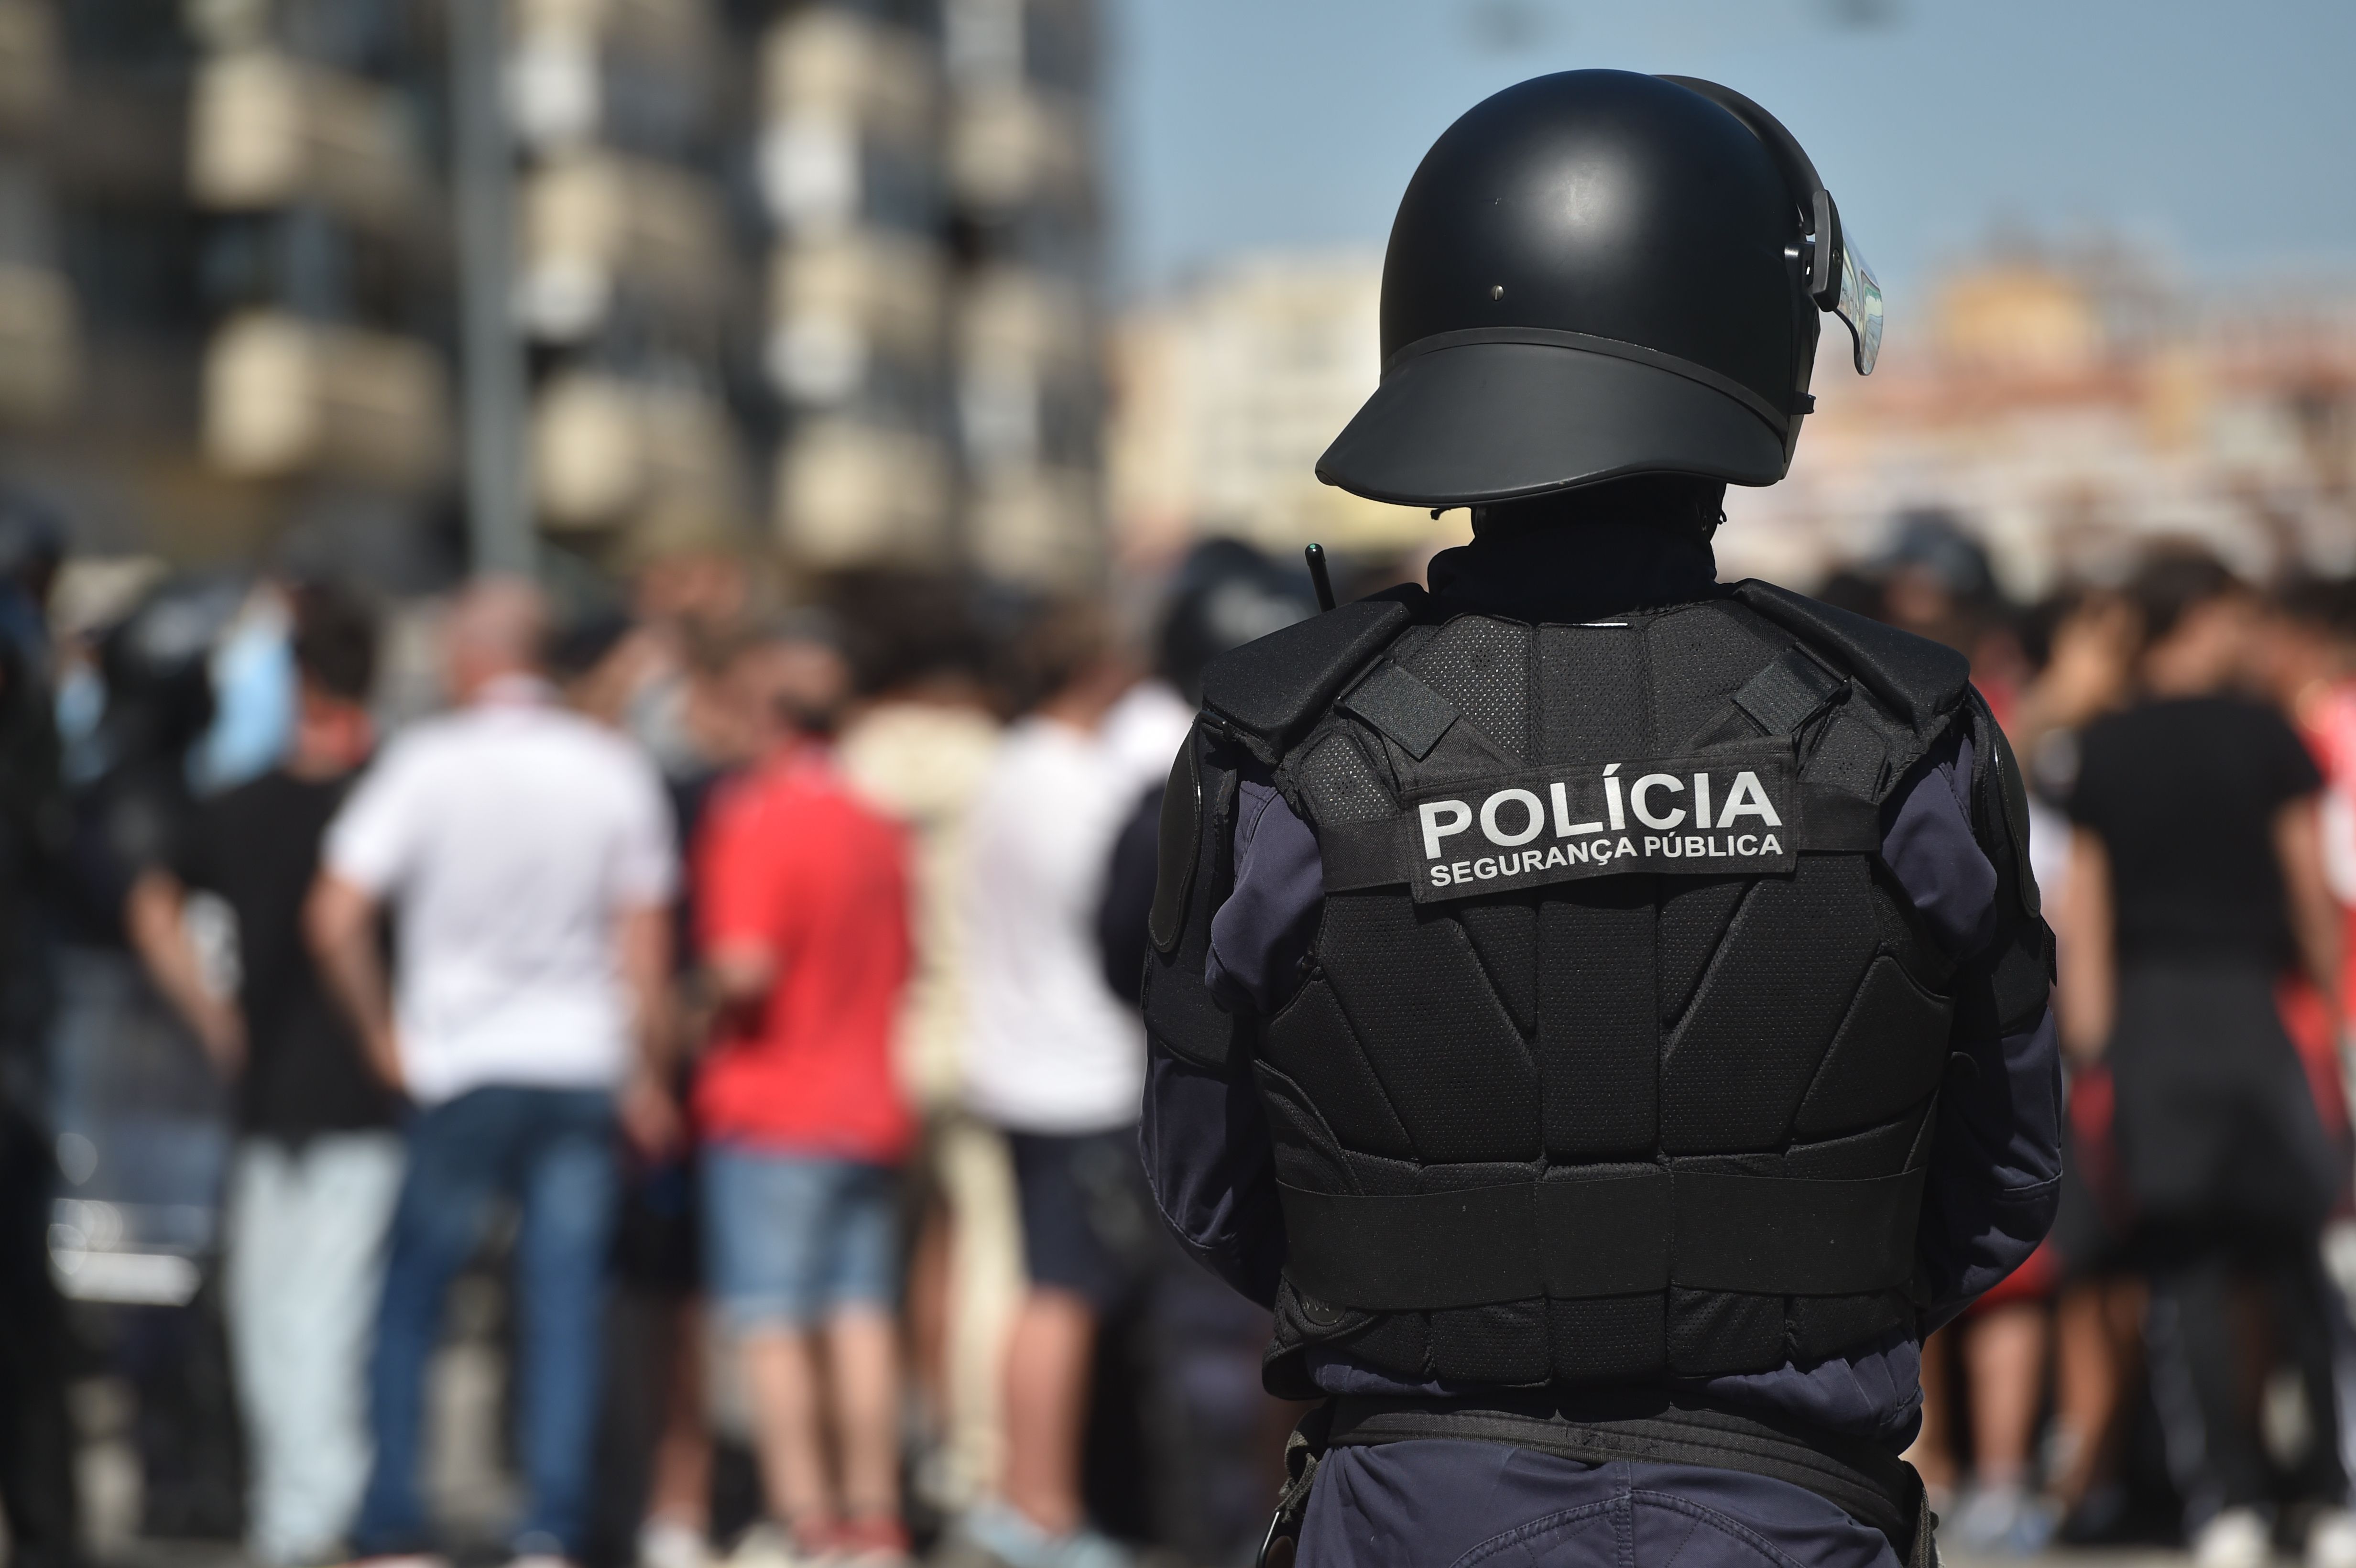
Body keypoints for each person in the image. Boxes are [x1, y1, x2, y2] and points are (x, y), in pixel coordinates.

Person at [1138, 71, 2063, 1568]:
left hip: (1409, 1516)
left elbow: (1206, 1188)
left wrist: (1458, 1323)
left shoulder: (1281, 750)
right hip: (1789, 1513)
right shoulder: (1905, 737)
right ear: (1739, 345)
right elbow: (2003, 1180)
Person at [311, 576, 679, 1568]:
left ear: (472, 655)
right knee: (562, 1303)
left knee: (416, 1295)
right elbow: (642, 945)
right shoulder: (610, 767)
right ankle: (550, 1524)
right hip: (576, 1057)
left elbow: (335, 914)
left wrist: (383, 1031)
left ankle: (395, 1519)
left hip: (460, 1058)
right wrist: (648, 1070)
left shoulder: (428, 761)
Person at [2060, 549, 2353, 1568]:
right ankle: (2324, 1495)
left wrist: (2097, 1055)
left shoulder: (2106, 747)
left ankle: (2223, 1502)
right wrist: (2331, 1018)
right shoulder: (2266, 733)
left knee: (2182, 1265)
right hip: (2255, 1011)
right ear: (2203, 618)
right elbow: (2307, 892)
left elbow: (2083, 918)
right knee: (2294, 1254)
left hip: (2149, 1017)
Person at [125, 581, 399, 1566]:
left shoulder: (239, 805)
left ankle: (302, 1515)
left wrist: (217, 1020)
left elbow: (153, 908)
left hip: (270, 1087)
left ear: (297, 680)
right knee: (331, 1315)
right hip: (365, 1095)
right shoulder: (388, 796)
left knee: (272, 1318)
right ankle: (316, 1517)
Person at [950, 604, 1180, 1568]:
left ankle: (1032, 1495)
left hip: (1017, 1058)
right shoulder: (1082, 785)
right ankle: (1040, 1503)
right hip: (1080, 1070)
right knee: (1064, 1291)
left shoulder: (1007, 769)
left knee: (1048, 1283)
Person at [690, 616, 916, 1567]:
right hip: (868, 1099)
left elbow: (743, 964)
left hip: (774, 1102)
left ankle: (808, 1520)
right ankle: (874, 1517)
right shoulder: (874, 821)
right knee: (861, 1315)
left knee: (774, 1322)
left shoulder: (754, 813)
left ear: (772, 714)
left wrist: (675, 1004)